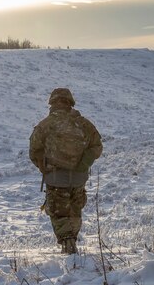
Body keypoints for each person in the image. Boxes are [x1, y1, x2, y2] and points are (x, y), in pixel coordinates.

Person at [28, 88, 103, 254]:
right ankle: (72, 242)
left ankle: (67, 244)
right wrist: (83, 164)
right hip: (79, 177)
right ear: (70, 102)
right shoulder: (84, 124)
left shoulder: (45, 124)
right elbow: (97, 146)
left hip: (55, 178)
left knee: (58, 211)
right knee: (75, 210)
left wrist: (45, 169)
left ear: (52, 103)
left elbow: (34, 150)